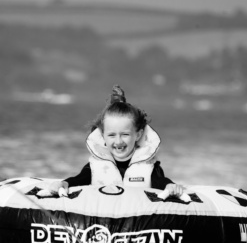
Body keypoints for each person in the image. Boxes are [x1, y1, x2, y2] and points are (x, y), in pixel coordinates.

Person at [48, 85, 185, 199]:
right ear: (103, 136)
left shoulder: (150, 167)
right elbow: (79, 179)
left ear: (138, 134)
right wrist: (64, 184)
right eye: (112, 135)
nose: (118, 141)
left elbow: (160, 181)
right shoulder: (96, 165)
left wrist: (170, 186)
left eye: (125, 134)